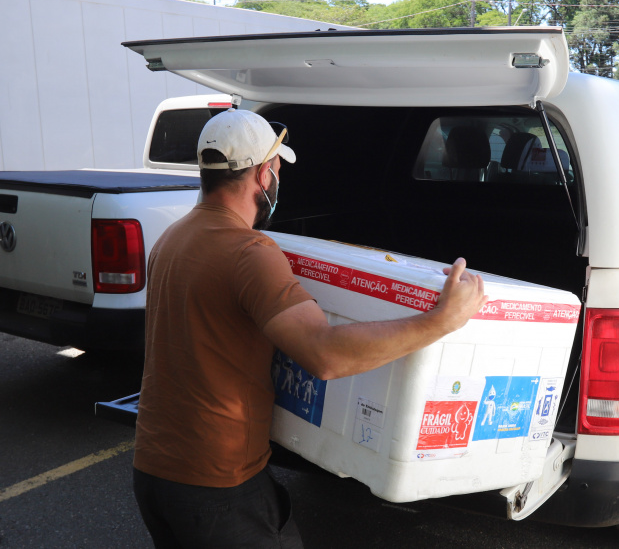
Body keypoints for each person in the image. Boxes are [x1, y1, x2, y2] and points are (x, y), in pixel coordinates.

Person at [132, 109, 488, 548]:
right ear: (264, 176)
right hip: (215, 483)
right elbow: (324, 354)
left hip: (155, 470)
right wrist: (442, 320)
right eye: (278, 170)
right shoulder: (248, 252)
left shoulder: (173, 237)